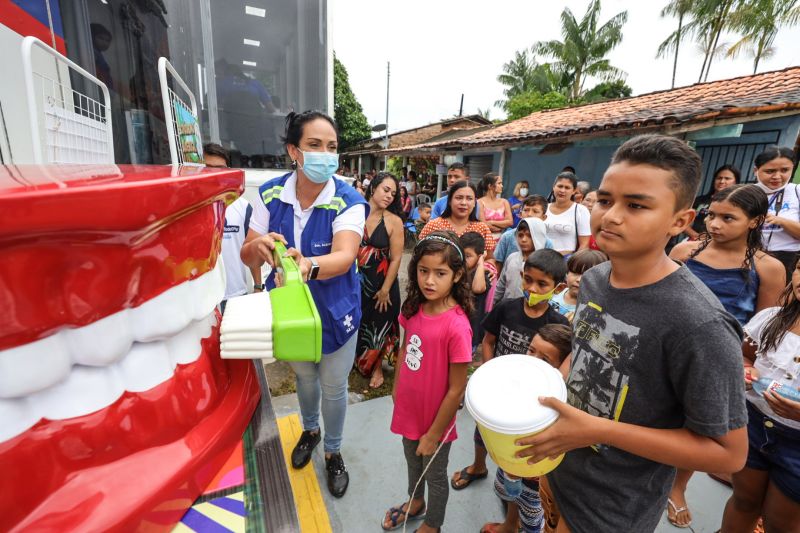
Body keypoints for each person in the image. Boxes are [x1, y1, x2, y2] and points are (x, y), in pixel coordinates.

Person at [517, 135, 748, 532]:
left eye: (636, 205)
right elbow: (584, 349)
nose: (611, 216)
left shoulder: (700, 323)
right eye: (605, 201)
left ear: (680, 221)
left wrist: (599, 430)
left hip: (612, 507)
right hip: (558, 470)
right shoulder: (594, 278)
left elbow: (728, 454)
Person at [240, 110, 366, 498]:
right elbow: (248, 254)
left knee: (333, 386)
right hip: (291, 314)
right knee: (305, 379)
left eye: (332, 147)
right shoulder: (269, 194)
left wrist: (308, 264)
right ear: (294, 150)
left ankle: (332, 451)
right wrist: (257, 248)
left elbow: (345, 256)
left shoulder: (348, 199)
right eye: (314, 145)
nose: (325, 155)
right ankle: (310, 431)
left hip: (335, 314)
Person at [667, 183, 785, 528]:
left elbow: (763, 328)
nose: (715, 224)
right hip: (669, 346)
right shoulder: (684, 253)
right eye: (711, 215)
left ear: (754, 221)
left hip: (721, 358)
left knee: (697, 425)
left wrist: (742, 362)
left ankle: (677, 486)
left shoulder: (769, 268)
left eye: (728, 218)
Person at [452, 249, 569, 492]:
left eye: (542, 284)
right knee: (483, 431)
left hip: (530, 399)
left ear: (557, 289)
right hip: (499, 389)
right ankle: (478, 466)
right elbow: (488, 341)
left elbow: (560, 366)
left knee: (518, 445)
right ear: (521, 275)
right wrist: (487, 370)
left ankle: (512, 482)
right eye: (528, 279)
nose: (533, 288)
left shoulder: (558, 324)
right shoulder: (507, 308)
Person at [381, 232, 473, 533]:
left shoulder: (457, 326)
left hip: (437, 419)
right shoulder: (414, 306)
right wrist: (396, 388)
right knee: (412, 461)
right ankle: (415, 500)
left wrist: (434, 433)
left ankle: (433, 524)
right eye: (423, 271)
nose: (429, 281)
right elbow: (407, 347)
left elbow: (457, 388)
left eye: (440, 273)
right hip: (409, 408)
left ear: (457, 275)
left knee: (434, 474)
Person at [720, 264, 800, 532]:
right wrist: (745, 369)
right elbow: (746, 355)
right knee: (744, 500)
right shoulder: (771, 318)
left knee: (781, 522)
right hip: (753, 424)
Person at [481, 323, 573, 533]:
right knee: (509, 495)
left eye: (545, 360)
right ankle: (510, 525)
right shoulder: (516, 384)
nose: (532, 360)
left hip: (536, 474)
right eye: (531, 350)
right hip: (509, 461)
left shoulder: (558, 399)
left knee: (531, 514)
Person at [355, 174, 404, 389]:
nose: (389, 196)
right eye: (386, 190)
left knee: (380, 326)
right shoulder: (354, 213)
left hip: (383, 284)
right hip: (356, 283)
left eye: (393, 193)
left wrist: (385, 290)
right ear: (373, 187)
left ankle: (376, 367)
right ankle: (358, 359)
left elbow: (396, 259)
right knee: (359, 323)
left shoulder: (394, 221)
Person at [204, 143, 263, 311]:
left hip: (237, 295)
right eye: (208, 169)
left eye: (220, 169)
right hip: (205, 300)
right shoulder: (192, 208)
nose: (214, 175)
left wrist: (258, 286)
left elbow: (252, 249)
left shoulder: (243, 207)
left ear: (228, 171)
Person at [753, 146, 800, 280]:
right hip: (750, 255)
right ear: (756, 170)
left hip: (788, 259)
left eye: (785, 170)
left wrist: (780, 221)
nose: (777, 176)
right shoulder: (745, 193)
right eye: (770, 171)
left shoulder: (797, 192)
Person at [419, 181, 495, 255]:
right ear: (449, 200)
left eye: (469, 198)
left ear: (475, 202)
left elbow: (489, 259)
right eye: (459, 198)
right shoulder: (433, 226)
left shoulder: (482, 229)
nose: (463, 203)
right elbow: (418, 255)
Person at [493, 218, 549, 304]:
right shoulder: (512, 258)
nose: (523, 239)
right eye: (520, 235)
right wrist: (493, 303)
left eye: (529, 236)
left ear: (539, 237)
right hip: (507, 307)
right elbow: (501, 285)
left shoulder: (544, 263)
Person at [494, 195, 554, 271]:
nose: (529, 214)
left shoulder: (547, 242)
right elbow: (498, 264)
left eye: (535, 211)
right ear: (520, 214)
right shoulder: (507, 236)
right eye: (526, 210)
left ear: (543, 217)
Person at [685, 164, 741, 241]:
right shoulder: (700, 200)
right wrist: (695, 235)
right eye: (719, 178)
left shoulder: (739, 204)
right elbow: (684, 220)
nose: (722, 181)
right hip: (694, 241)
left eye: (727, 178)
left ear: (736, 182)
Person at [551, 249, 608, 321]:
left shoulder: (594, 312)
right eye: (575, 273)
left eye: (588, 276)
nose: (579, 280)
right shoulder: (553, 292)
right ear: (566, 273)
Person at [545, 172, 591, 255]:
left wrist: (573, 264)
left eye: (567, 187)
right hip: (539, 259)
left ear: (574, 191)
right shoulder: (544, 208)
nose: (562, 190)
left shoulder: (581, 211)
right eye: (560, 186)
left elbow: (584, 245)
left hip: (565, 261)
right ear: (553, 187)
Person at [460, 232, 492, 352]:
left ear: (479, 257)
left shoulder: (484, 275)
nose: (463, 260)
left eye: (468, 256)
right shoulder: (457, 272)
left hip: (472, 329)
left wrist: (481, 263)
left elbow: (478, 288)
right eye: (461, 255)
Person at [477, 173, 514, 237]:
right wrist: (501, 226)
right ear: (490, 186)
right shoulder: (479, 202)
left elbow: (510, 222)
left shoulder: (504, 202)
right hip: (485, 239)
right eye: (499, 183)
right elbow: (483, 224)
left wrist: (492, 222)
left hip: (502, 239)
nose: (502, 186)